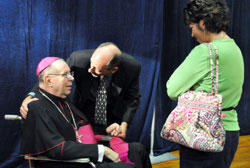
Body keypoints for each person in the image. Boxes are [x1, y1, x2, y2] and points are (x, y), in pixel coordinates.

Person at [20, 57, 152, 168]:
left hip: (84, 152)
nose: (71, 78)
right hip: (70, 163)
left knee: (138, 149)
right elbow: (56, 148)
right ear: (49, 80)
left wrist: (106, 130)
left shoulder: (63, 100)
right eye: (65, 75)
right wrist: (102, 150)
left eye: (70, 73)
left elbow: (79, 128)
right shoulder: (37, 106)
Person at [166, 0, 244, 168]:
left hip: (203, 132)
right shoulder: (235, 48)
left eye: (192, 27)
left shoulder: (205, 51)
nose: (192, 34)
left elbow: (172, 89)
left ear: (202, 23)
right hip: (230, 132)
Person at [20, 42, 141, 139]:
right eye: (91, 64)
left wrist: (124, 125)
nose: (90, 69)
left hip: (112, 116)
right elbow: (48, 77)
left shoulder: (132, 67)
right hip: (83, 111)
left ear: (113, 70)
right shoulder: (78, 58)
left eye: (96, 69)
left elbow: (132, 99)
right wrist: (30, 96)